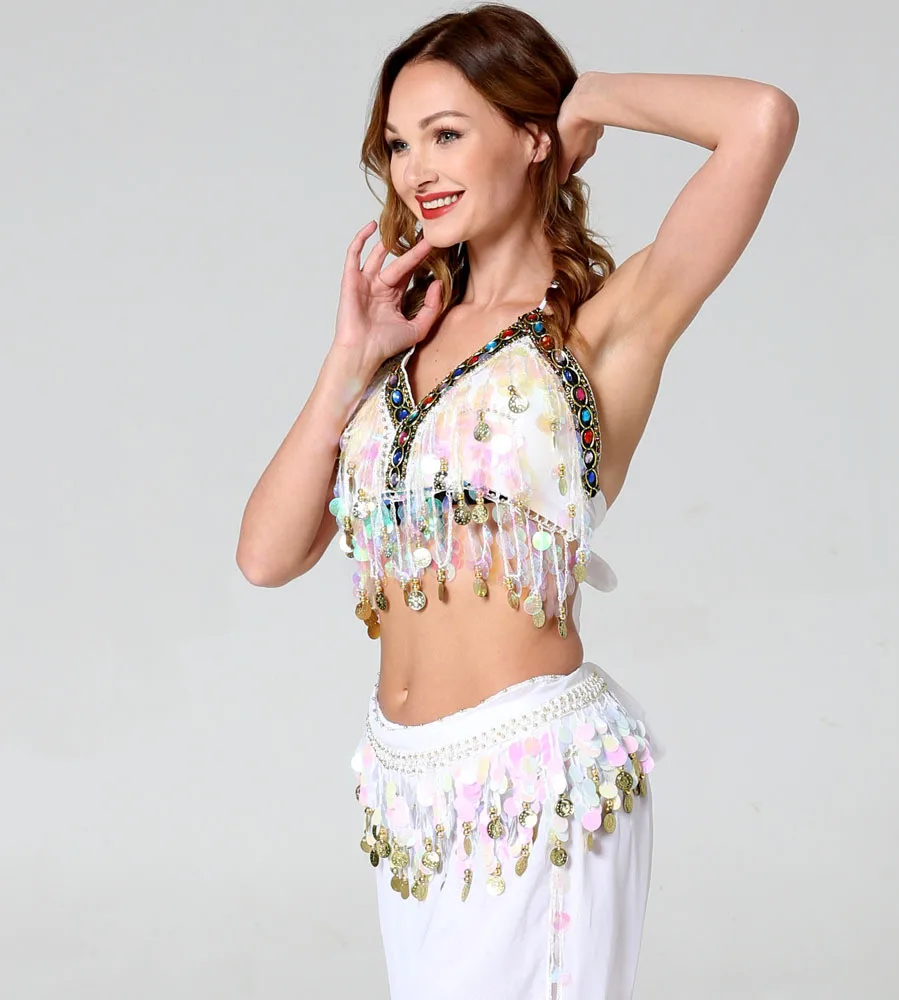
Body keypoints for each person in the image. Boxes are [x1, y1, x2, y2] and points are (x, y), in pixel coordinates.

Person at [236, 4, 797, 997]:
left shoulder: (599, 328)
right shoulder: (403, 343)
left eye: (447, 133)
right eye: (399, 144)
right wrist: (350, 357)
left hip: (536, 777)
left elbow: (760, 119)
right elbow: (266, 556)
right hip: (410, 792)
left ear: (532, 138)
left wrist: (590, 100)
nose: (416, 169)